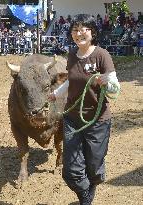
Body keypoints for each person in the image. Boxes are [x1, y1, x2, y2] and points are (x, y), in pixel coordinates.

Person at [49, 14, 120, 205]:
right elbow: (72, 80)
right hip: (73, 119)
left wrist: (106, 81)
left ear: (92, 32)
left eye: (83, 29)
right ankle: (85, 197)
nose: (79, 33)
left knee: (94, 167)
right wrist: (56, 93)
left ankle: (90, 190)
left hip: (98, 121)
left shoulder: (102, 55)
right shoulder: (72, 55)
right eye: (75, 30)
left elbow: (115, 88)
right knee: (70, 171)